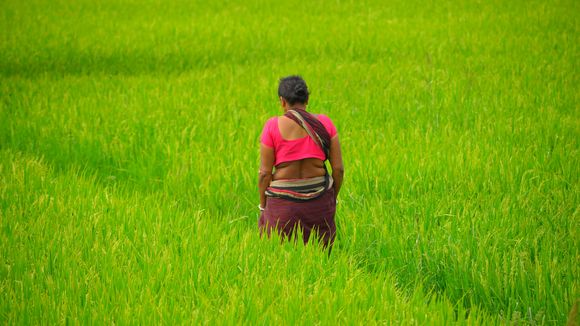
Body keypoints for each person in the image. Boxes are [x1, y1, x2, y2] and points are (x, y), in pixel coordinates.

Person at [258, 75, 344, 250]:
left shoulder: (272, 126)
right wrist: (331, 198)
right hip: (319, 205)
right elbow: (338, 169)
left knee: (276, 258)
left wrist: (263, 206)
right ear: (307, 99)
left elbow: (265, 174)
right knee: (321, 259)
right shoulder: (325, 123)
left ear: (282, 102)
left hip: (282, 208)